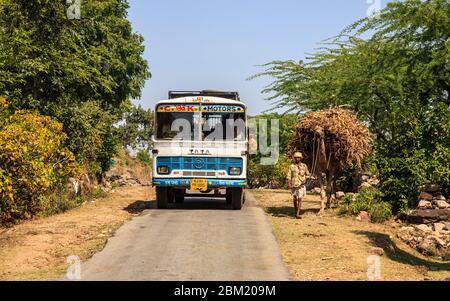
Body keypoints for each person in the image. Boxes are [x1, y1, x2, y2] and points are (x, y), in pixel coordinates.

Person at [287, 152, 310, 219]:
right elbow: (289, 176)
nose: (297, 159)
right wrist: (289, 184)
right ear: (294, 158)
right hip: (294, 184)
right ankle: (295, 211)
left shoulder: (304, 166)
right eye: (296, 157)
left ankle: (297, 214)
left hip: (301, 184)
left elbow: (307, 174)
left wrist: (305, 180)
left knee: (300, 199)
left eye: (299, 157)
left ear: (301, 158)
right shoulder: (291, 166)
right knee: (294, 199)